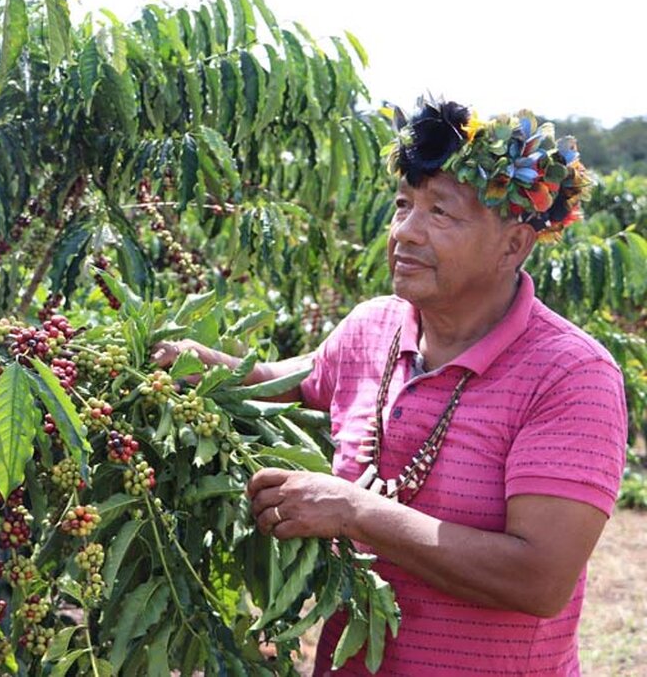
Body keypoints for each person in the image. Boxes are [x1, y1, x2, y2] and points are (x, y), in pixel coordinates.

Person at [151, 99, 627, 676]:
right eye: (403, 205)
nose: (405, 231)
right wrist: (201, 365)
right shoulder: (373, 327)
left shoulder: (570, 375)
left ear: (513, 246)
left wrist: (354, 511)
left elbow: (539, 579)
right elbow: (283, 383)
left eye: (440, 212)